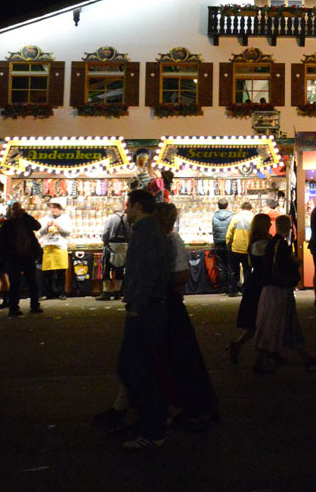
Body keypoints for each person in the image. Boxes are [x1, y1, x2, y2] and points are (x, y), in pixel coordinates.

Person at [117, 189, 173, 450]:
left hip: (146, 309)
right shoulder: (154, 231)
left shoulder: (145, 233)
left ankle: (152, 427)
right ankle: (148, 420)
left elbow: (147, 272)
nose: (126, 211)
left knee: (137, 368)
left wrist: (137, 306)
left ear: (137, 206)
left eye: (128, 206)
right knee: (136, 366)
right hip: (151, 306)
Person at [153, 203, 218, 426]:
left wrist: (156, 282)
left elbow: (181, 274)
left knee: (179, 354)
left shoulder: (171, 241)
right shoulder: (165, 240)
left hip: (168, 303)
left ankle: (188, 404)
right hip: (166, 302)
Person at [252, 215, 316, 375]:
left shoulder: (272, 243)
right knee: (275, 324)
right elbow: (282, 266)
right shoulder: (280, 244)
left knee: (285, 323)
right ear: (288, 227)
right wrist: (294, 263)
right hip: (279, 288)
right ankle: (260, 362)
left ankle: (305, 356)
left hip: (272, 287)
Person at [227, 214, 274, 366]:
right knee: (262, 321)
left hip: (257, 282)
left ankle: (246, 349)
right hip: (260, 284)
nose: (269, 224)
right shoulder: (261, 243)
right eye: (267, 222)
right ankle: (261, 358)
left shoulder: (258, 241)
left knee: (258, 323)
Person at [0, 202, 42, 316]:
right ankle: (14, 307)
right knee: (15, 283)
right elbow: (0, 242)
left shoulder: (27, 222)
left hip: (28, 255)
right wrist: (6, 256)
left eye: (18, 210)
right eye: (14, 210)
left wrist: (25, 215)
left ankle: (34, 305)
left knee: (32, 281)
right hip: (14, 257)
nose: (16, 212)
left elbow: (37, 226)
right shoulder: (8, 225)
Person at [38, 202, 71, 300]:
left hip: (60, 247)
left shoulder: (66, 218)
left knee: (61, 272)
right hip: (48, 248)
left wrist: (58, 226)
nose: (53, 210)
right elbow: (40, 232)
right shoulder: (45, 219)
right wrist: (46, 227)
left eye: (56, 208)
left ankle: (61, 292)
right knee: (47, 273)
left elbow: (68, 232)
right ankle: (46, 293)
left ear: (60, 209)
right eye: (52, 208)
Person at [98, 205, 130, 301]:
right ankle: (117, 292)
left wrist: (104, 241)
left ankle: (106, 292)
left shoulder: (110, 218)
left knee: (107, 268)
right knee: (120, 269)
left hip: (111, 245)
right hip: (124, 245)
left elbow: (105, 233)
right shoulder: (127, 218)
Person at [223, 202, 254, 297]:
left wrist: (228, 245)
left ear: (241, 208)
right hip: (248, 249)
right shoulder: (253, 218)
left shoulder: (236, 218)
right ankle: (246, 290)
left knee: (233, 270)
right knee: (247, 270)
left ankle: (233, 290)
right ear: (251, 209)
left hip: (235, 248)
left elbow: (229, 234)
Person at [210, 198, 234, 296]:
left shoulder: (214, 216)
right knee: (230, 265)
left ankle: (223, 288)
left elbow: (214, 229)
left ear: (218, 206)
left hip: (218, 242)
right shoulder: (232, 216)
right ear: (227, 206)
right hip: (228, 243)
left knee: (220, 266)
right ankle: (231, 288)